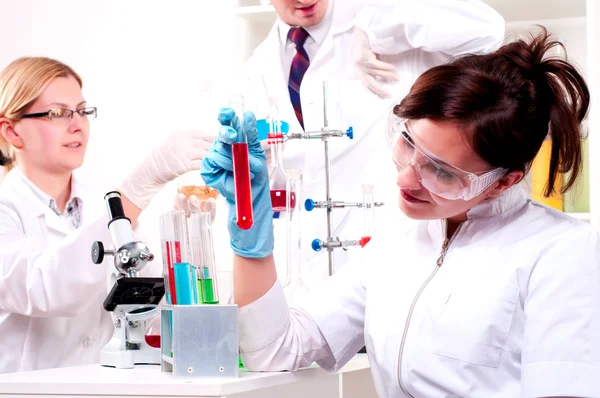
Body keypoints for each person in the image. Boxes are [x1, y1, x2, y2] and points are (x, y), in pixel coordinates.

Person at [201, 29, 600, 397]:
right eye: (408, 142)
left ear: (503, 181)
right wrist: (249, 227)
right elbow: (274, 349)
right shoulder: (398, 242)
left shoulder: (561, 254)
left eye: (442, 171)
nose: (406, 179)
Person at [235, 0, 507, 287]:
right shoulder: (255, 70)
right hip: (306, 273)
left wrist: (375, 29)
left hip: (394, 256)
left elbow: (488, 31)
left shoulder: (380, 17)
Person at [0, 57, 213, 374]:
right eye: (57, 113)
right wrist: (142, 184)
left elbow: (144, 310)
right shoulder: (8, 209)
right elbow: (45, 289)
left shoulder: (99, 204)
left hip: (103, 384)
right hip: (30, 391)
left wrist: (185, 231)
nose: (77, 124)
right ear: (12, 131)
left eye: (82, 111)